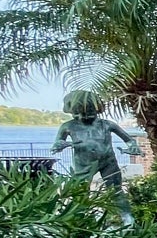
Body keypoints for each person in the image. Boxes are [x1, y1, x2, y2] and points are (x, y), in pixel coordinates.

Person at [52, 90, 141, 223]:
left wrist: (132, 146)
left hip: (108, 162)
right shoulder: (68, 126)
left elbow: (129, 139)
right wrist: (59, 145)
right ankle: (79, 221)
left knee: (116, 191)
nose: (85, 117)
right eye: (80, 114)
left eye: (90, 113)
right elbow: (57, 143)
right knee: (80, 193)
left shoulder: (107, 124)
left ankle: (128, 221)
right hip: (83, 165)